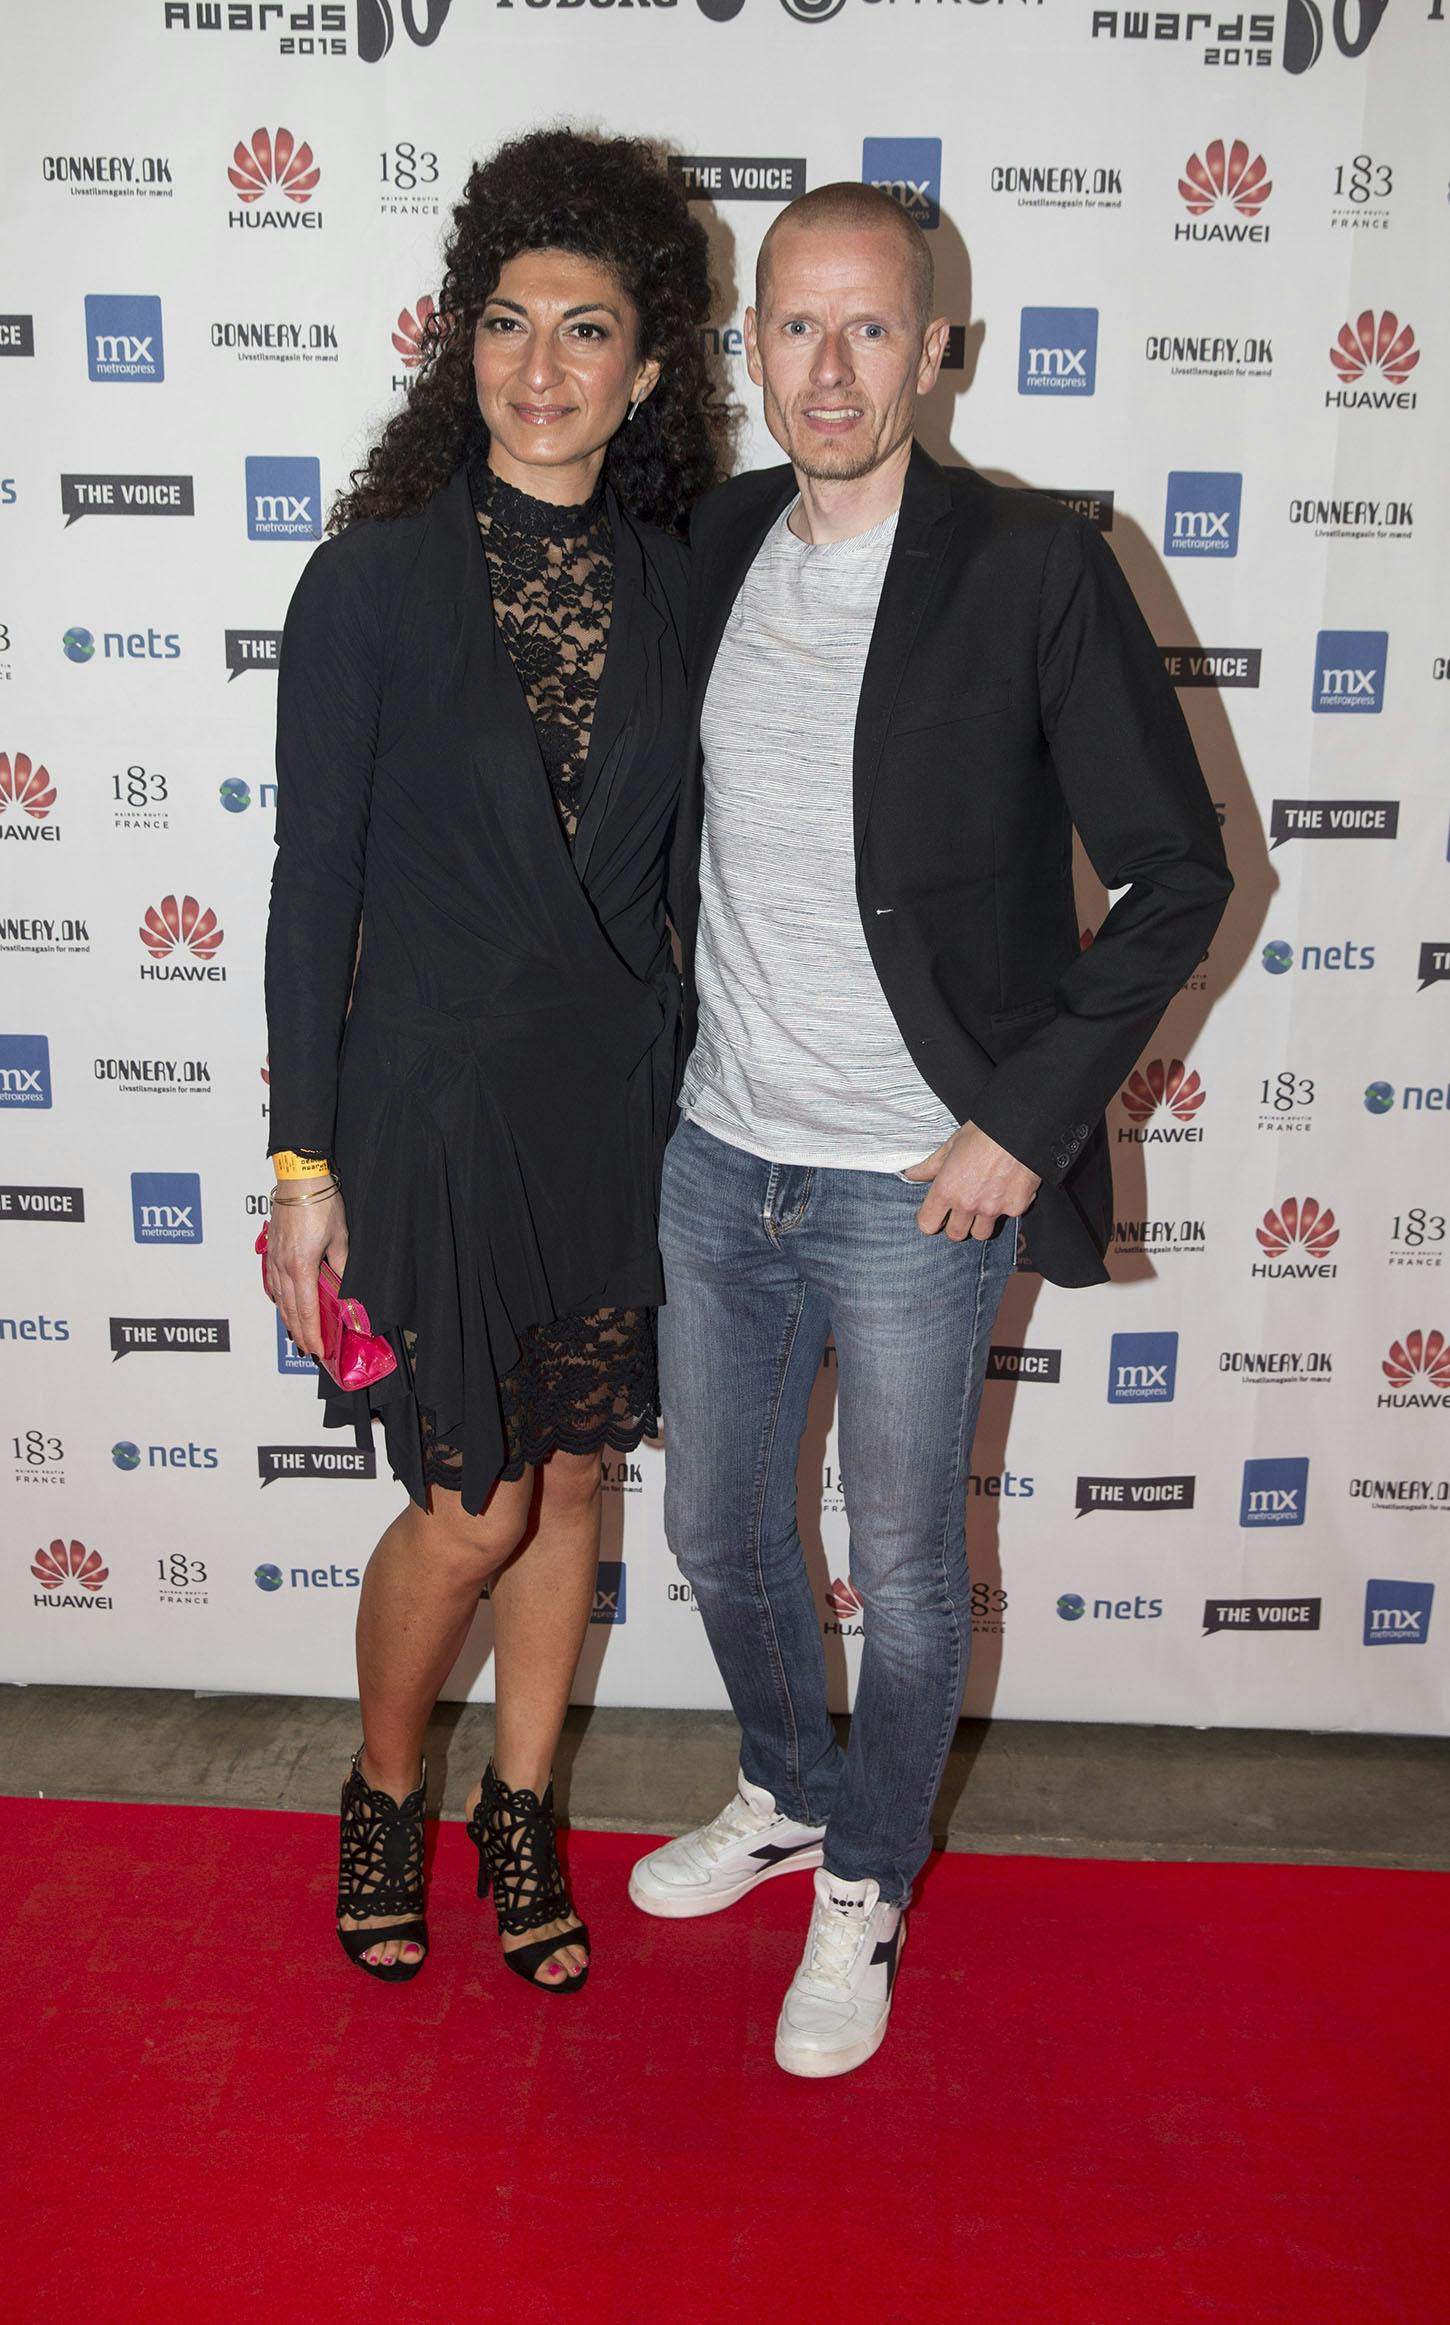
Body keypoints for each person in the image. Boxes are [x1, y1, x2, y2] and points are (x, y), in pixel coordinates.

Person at [631, 183, 1232, 2076]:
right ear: (747, 347)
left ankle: (865, 1876)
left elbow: (1179, 873)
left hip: (917, 1182)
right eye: (794, 327)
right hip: (718, 1152)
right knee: (716, 1530)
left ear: (938, 347)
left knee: (898, 1571)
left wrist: (1014, 1123)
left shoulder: (1034, 564)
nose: (830, 369)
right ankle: (785, 1785)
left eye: (869, 327)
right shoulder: (710, 539)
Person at [263, 128, 726, 1991]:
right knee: (475, 1504)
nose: (543, 368)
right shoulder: (368, 583)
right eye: (510, 323)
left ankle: (518, 1810)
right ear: (461, 341)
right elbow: (313, 890)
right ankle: (387, 1790)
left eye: (587, 329)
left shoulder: (685, 582)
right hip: (436, 1108)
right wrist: (303, 1169)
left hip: (616, 1104)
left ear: (646, 366)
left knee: (578, 1482)